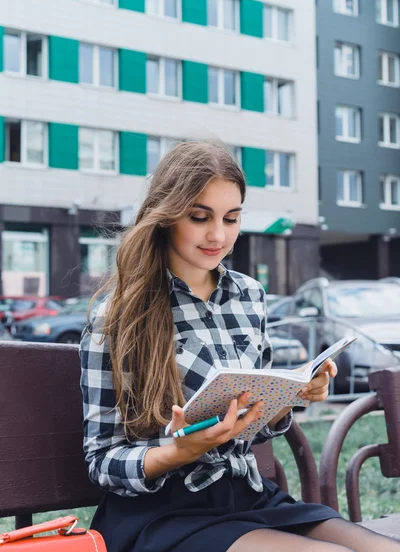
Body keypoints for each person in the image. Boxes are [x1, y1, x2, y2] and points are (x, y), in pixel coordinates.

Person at [80, 140, 399, 552]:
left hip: (246, 495)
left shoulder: (249, 295)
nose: (218, 234)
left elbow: (256, 421)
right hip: (161, 513)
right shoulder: (118, 314)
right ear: (167, 216)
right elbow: (101, 460)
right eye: (200, 217)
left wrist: (295, 393)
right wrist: (178, 451)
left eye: (231, 218)